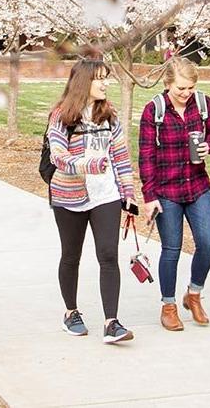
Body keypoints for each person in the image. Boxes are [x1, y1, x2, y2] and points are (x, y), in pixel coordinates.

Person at [47, 58, 135, 344]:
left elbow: (120, 157)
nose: (105, 83)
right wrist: (86, 164)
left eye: (106, 77)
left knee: (108, 255)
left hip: (105, 195)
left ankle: (112, 322)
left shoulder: (109, 115)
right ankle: (71, 312)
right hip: (69, 197)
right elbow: (57, 156)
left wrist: (129, 193)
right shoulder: (61, 116)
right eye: (100, 79)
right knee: (71, 256)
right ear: (84, 82)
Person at [139, 57, 210, 331]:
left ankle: (194, 294)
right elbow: (146, 156)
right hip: (167, 191)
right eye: (180, 89)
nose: (186, 94)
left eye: (190, 88)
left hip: (198, 186)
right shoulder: (154, 111)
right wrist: (149, 196)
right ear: (168, 84)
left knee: (207, 243)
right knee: (171, 249)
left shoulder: (203, 104)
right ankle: (169, 305)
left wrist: (209, 146)